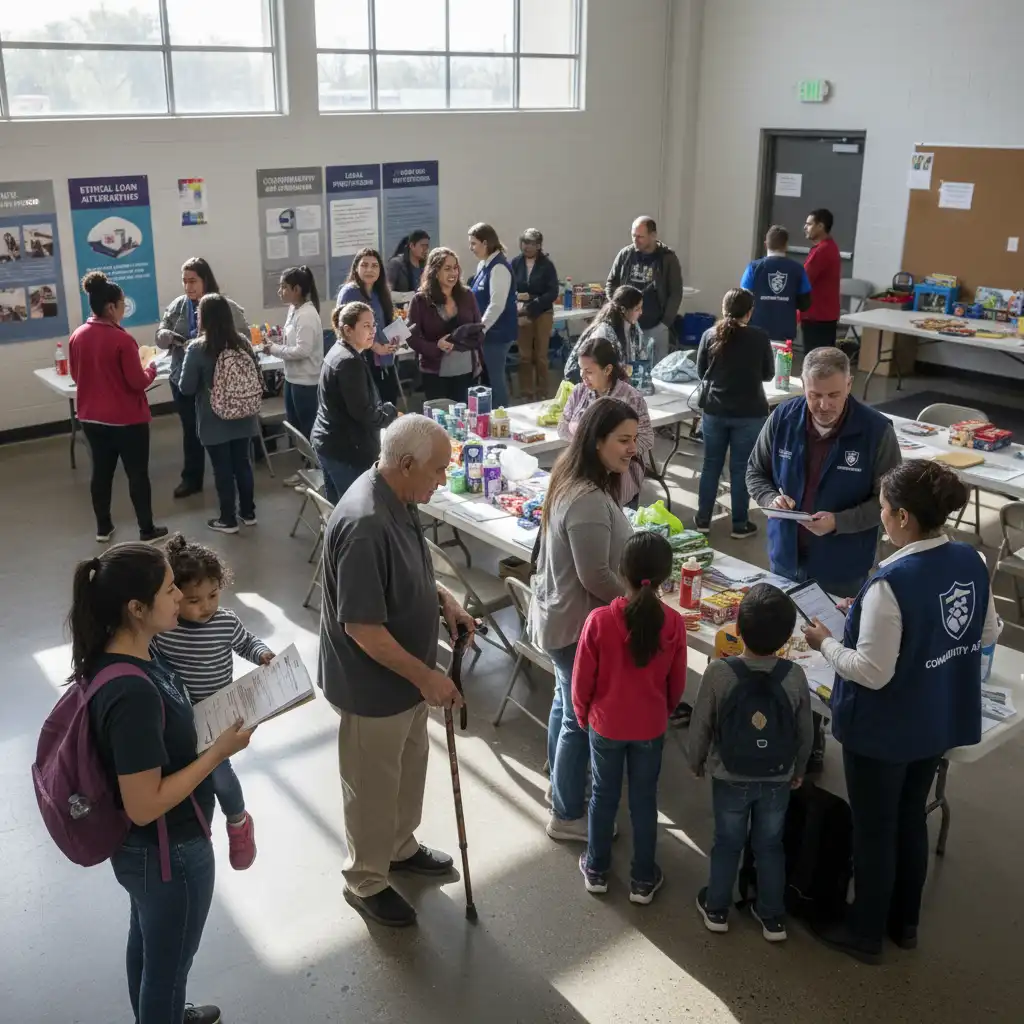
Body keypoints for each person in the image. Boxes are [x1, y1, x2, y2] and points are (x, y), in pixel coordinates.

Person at [801, 461, 1001, 964]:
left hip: (884, 730)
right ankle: (903, 922)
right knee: (911, 818)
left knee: (874, 830)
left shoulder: (892, 582)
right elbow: (987, 632)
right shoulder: (971, 559)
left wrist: (826, 643)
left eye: (885, 510)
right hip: (936, 718)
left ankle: (865, 931)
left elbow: (870, 672)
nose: (882, 519)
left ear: (905, 517)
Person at [73, 542, 253, 1024]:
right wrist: (218, 752)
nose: (181, 597)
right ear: (136, 608)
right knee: (168, 970)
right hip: (167, 850)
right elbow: (143, 805)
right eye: (171, 589)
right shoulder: (130, 692)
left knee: (150, 946)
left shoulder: (135, 652)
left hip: (152, 852)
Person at [319, 415, 476, 927]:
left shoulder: (400, 497)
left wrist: (443, 597)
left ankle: (400, 846)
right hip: (374, 685)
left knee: (408, 770)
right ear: (405, 464)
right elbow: (363, 629)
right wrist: (427, 677)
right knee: (371, 785)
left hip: (407, 680)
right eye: (437, 470)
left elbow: (408, 566)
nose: (441, 480)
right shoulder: (364, 522)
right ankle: (365, 878)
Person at [746, 346, 900, 771]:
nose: (824, 404)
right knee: (787, 651)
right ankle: (787, 731)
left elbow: (888, 504)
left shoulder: (875, 431)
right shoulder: (783, 418)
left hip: (842, 570)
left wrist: (841, 522)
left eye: (834, 394)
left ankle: (821, 738)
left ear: (850, 384)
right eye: (815, 395)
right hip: (785, 560)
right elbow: (754, 472)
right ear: (804, 387)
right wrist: (768, 498)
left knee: (832, 656)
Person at [530, 398, 637, 841]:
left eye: (634, 439)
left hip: (560, 619)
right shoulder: (588, 499)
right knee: (577, 717)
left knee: (563, 704)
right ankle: (569, 814)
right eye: (623, 440)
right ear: (596, 442)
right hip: (577, 627)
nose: (632, 448)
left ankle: (561, 790)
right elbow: (595, 576)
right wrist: (636, 602)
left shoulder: (572, 478)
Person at [688, 583, 813, 943]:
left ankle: (716, 908)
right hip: (777, 777)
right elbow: (804, 732)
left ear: (737, 629)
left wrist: (696, 761)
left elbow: (702, 722)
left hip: (730, 775)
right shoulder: (795, 676)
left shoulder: (719, 673)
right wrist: (799, 769)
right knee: (770, 845)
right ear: (787, 637)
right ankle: (772, 917)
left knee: (727, 842)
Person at [573, 531, 687, 904]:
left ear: (621, 571)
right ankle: (642, 878)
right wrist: (662, 712)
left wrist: (581, 714)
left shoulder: (600, 621)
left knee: (603, 796)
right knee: (643, 800)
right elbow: (677, 683)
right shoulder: (673, 623)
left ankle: (596, 868)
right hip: (650, 727)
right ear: (664, 578)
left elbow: (581, 680)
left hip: (605, 725)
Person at [150, 533, 274, 872]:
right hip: (179, 717)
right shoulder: (165, 629)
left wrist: (262, 653)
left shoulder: (225, 621)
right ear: (174, 597)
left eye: (213, 595)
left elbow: (246, 642)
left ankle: (238, 823)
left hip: (217, 716)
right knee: (188, 776)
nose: (206, 606)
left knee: (219, 775)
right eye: (194, 600)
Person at [69, 272, 168, 544]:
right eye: (122, 304)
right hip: (127, 421)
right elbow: (137, 383)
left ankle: (103, 528)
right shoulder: (122, 340)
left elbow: (77, 377)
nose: (124, 308)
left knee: (100, 473)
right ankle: (146, 530)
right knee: (137, 474)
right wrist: (150, 368)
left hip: (91, 418)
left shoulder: (78, 335)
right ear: (111, 306)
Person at [157, 258, 248, 499]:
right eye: (184, 281)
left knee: (225, 431)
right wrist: (166, 335)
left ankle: (233, 480)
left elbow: (244, 334)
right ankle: (192, 479)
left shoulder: (222, 305)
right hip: (184, 378)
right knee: (191, 431)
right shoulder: (178, 305)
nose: (188, 287)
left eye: (193, 281)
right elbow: (160, 334)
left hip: (219, 380)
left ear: (205, 280)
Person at [694, 287, 775, 539]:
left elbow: (700, 371)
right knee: (741, 469)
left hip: (715, 411)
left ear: (723, 308)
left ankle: (703, 520)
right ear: (749, 313)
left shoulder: (709, 335)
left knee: (711, 466)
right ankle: (740, 524)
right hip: (749, 413)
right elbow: (768, 374)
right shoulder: (760, 337)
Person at [179, 294, 263, 535]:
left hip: (214, 418)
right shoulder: (243, 341)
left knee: (222, 469)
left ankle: (228, 519)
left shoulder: (197, 348)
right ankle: (248, 513)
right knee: (243, 464)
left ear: (204, 317)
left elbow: (186, 388)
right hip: (245, 414)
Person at [312, 301, 399, 503]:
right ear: (347, 330)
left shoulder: (341, 351)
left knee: (339, 508)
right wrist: (391, 412)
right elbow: (364, 412)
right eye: (366, 326)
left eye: (373, 325)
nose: (372, 331)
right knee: (355, 509)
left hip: (330, 442)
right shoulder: (348, 362)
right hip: (345, 449)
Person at [558, 336, 654, 509]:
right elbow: (562, 427)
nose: (583, 376)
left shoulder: (630, 398)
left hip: (620, 481)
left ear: (607, 369)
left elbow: (647, 437)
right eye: (581, 370)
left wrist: (617, 449)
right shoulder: (579, 393)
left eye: (589, 371)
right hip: (585, 478)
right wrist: (590, 445)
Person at [407, 247, 483, 404]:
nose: (453, 273)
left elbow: (479, 330)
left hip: (466, 371)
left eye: (455, 268)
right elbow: (411, 337)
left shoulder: (467, 295)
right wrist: (436, 346)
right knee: (439, 422)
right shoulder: (421, 300)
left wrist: (466, 339)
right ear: (435, 272)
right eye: (447, 269)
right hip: (435, 373)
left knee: (464, 421)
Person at [605, 217, 683, 365]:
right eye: (633, 235)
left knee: (657, 370)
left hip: (656, 325)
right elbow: (611, 283)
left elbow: (675, 292)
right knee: (627, 368)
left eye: (640, 236)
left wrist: (665, 323)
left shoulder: (667, 258)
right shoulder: (625, 254)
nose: (636, 240)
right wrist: (616, 309)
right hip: (627, 324)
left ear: (653, 236)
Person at [337, 247, 401, 406]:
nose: (369, 270)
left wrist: (395, 339)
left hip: (385, 360)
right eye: (364, 265)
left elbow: (385, 323)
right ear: (356, 267)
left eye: (374, 265)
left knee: (388, 405)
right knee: (370, 409)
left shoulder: (380, 291)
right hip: (362, 359)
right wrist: (375, 346)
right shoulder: (350, 292)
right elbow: (348, 329)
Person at [267, 265, 323, 445]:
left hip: (306, 383)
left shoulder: (307, 314)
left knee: (308, 429)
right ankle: (306, 464)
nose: (280, 291)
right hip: (292, 379)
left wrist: (274, 349)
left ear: (296, 289)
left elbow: (302, 350)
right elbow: (293, 340)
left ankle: (314, 468)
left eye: (284, 287)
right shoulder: (294, 309)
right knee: (296, 427)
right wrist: (276, 340)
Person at [468, 222, 519, 409]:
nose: (471, 248)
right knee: (488, 377)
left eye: (473, 243)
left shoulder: (499, 268)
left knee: (495, 378)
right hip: (487, 333)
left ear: (485, 243)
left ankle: (501, 415)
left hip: (497, 333)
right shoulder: (483, 265)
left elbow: (496, 305)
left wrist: (481, 328)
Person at [509, 228, 559, 402]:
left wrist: (535, 302)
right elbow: (509, 288)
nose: (527, 247)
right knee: (524, 356)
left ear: (539, 245)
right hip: (522, 312)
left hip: (542, 312)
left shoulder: (547, 265)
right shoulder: (515, 263)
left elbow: (553, 292)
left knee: (541, 355)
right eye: (524, 242)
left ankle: (543, 392)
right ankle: (526, 393)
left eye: (531, 243)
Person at [740, 225, 812, 342]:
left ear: (765, 244)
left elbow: (742, 299)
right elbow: (805, 304)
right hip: (784, 333)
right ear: (786, 245)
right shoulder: (798, 269)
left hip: (755, 331)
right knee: (782, 360)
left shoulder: (753, 268)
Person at [563, 285, 644, 384]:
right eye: (637, 309)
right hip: (584, 380)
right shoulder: (604, 332)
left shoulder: (633, 326)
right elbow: (597, 367)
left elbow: (638, 358)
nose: (641, 312)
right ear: (623, 309)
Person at [800, 208, 842, 353]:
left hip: (818, 316)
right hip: (823, 316)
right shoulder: (828, 247)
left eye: (809, 224)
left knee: (815, 363)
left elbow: (803, 280)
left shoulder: (822, 251)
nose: (805, 227)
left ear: (820, 226)